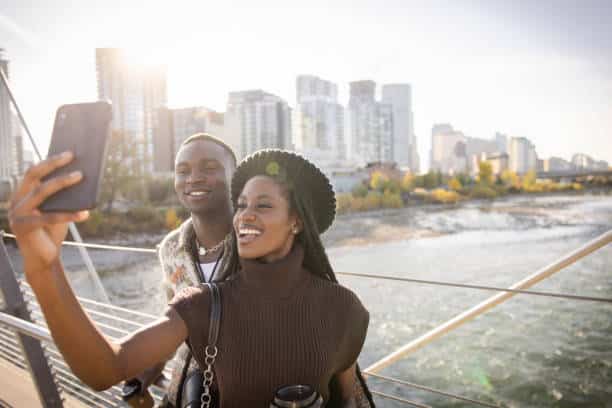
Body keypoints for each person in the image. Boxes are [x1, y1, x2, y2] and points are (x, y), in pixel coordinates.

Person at [9, 148, 375, 407]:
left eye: (263, 205)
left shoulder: (344, 309)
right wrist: (44, 270)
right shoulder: (203, 304)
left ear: (297, 221)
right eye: (242, 205)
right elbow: (106, 368)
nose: (244, 215)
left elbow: (350, 398)